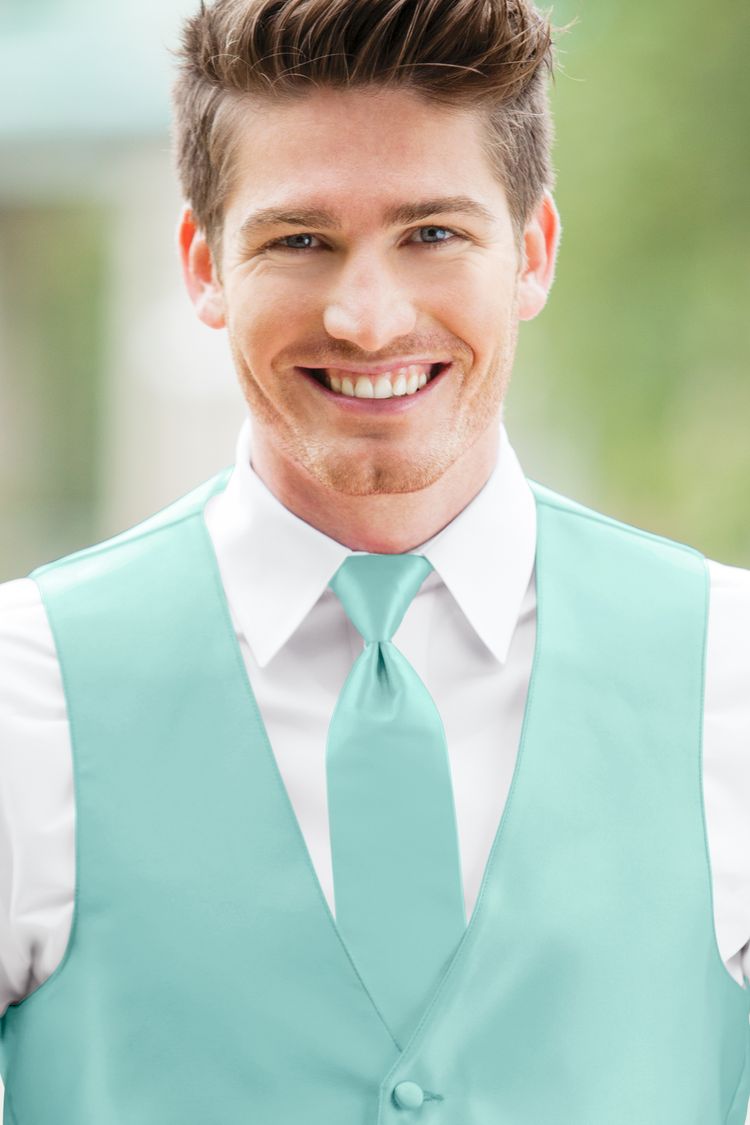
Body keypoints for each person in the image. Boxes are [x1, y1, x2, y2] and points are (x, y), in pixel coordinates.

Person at [0, 0, 748, 1120]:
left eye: (433, 233)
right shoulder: (25, 693)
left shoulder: (730, 672)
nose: (366, 318)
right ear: (204, 265)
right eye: (300, 239)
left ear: (533, 252)